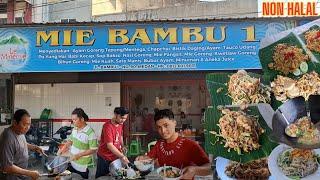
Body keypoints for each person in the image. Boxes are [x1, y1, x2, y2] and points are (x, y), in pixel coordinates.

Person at [136, 109, 211, 179]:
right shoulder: (159, 144)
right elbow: (149, 158)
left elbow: (210, 168)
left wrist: (195, 170)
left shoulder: (190, 145)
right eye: (159, 127)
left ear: (174, 123)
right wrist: (141, 159)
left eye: (166, 125)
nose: (163, 131)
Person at [0, 109, 46, 180]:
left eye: (29, 124)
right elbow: (7, 167)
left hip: (20, 176)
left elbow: (20, 144)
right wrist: (30, 173)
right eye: (24, 124)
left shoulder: (20, 132)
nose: (27, 128)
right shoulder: (7, 137)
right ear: (15, 122)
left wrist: (34, 147)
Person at [57, 108, 98, 179]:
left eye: (75, 120)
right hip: (73, 161)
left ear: (82, 119)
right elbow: (70, 141)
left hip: (84, 166)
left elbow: (93, 150)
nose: (73, 122)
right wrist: (62, 149)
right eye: (72, 119)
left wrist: (78, 155)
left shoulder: (90, 133)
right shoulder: (75, 129)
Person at [95, 107, 130, 178]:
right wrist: (122, 156)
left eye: (125, 118)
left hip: (115, 155)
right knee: (101, 177)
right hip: (104, 157)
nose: (123, 120)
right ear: (115, 114)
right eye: (122, 118)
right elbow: (110, 145)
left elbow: (120, 135)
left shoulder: (120, 123)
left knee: (119, 175)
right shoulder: (107, 126)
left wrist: (122, 146)